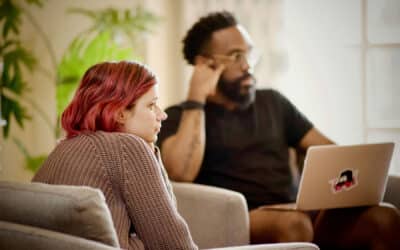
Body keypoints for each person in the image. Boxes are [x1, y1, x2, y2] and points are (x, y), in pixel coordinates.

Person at [157, 11, 400, 250]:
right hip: (242, 217)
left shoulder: (273, 102)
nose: (247, 66)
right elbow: (180, 173)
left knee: (383, 218)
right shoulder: (180, 116)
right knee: (295, 226)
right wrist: (196, 98)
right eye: (236, 56)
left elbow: (330, 153)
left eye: (250, 54)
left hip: (297, 211)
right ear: (205, 64)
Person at [33, 61, 198, 250]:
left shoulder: (62, 149)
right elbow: (174, 245)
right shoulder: (127, 148)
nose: (162, 115)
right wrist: (148, 149)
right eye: (152, 106)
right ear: (120, 113)